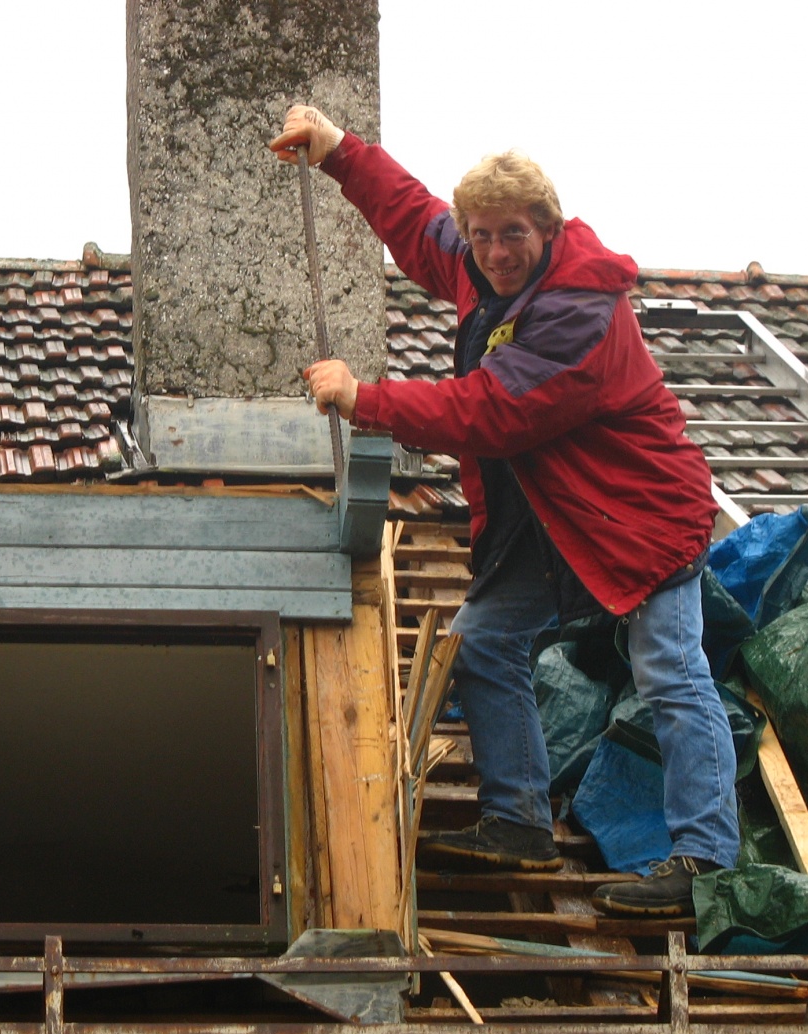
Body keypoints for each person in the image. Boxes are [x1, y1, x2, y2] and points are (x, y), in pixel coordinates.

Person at [272, 106, 739, 917]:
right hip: (555, 520)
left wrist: (365, 398)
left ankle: (705, 861)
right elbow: (418, 222)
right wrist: (339, 150)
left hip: (642, 518)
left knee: (668, 668)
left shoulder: (576, 313)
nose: (492, 251)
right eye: (481, 235)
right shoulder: (487, 267)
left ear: (547, 230)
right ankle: (518, 819)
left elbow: (487, 410)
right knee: (483, 641)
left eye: (512, 234)